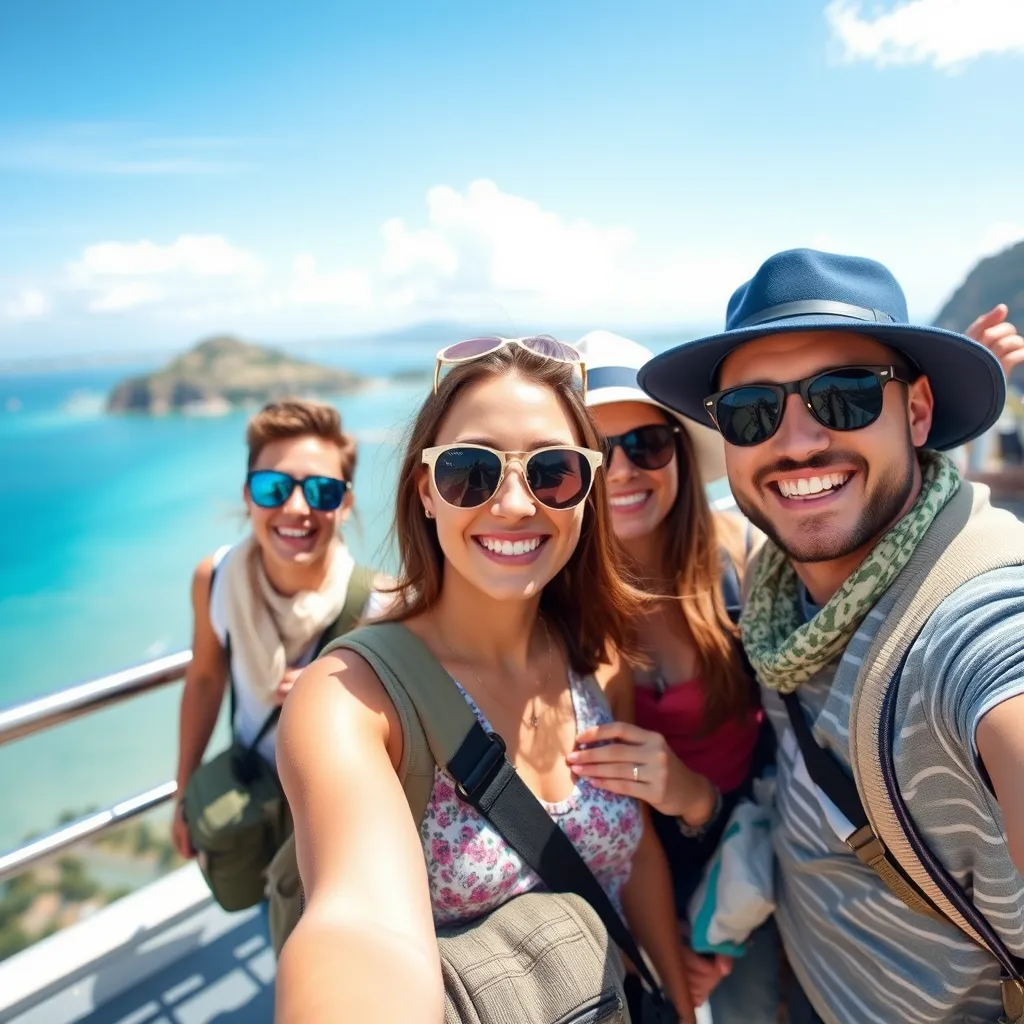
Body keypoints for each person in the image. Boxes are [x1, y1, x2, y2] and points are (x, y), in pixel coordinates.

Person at [637, 248, 1024, 1024]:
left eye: (843, 397)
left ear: (917, 414)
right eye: (752, 411)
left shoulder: (972, 618)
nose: (799, 442)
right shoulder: (781, 597)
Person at [274, 338, 699, 1022]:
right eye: (470, 472)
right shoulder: (353, 701)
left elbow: (636, 855)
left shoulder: (595, 660)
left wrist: (677, 1007)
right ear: (425, 491)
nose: (514, 504)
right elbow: (358, 925)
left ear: (586, 493)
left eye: (552, 472)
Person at [566, 330, 780, 1023]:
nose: (623, 471)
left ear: (680, 453)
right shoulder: (555, 612)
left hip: (756, 855)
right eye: (597, 452)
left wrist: (697, 805)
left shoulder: (744, 561)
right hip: (631, 890)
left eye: (646, 445)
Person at [172, 398, 382, 863]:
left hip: (340, 821)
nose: (296, 507)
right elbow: (205, 679)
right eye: (273, 488)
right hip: (258, 804)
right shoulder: (216, 579)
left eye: (323, 492)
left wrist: (332, 695)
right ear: (247, 496)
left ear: (345, 504)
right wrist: (184, 792)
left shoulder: (375, 603)